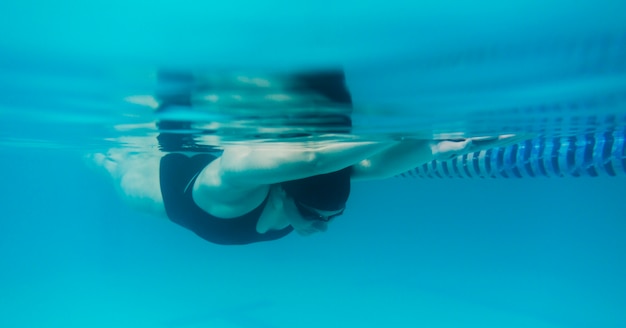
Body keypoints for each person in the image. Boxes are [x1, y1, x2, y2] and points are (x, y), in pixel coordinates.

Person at [94, 70, 522, 245]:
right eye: (320, 215)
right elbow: (317, 160)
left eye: (330, 217)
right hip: (165, 176)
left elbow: (352, 165)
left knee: (116, 170)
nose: (322, 225)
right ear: (284, 191)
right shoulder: (228, 186)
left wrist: (445, 143)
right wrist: (436, 135)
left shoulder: (242, 194)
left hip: (165, 196)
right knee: (118, 166)